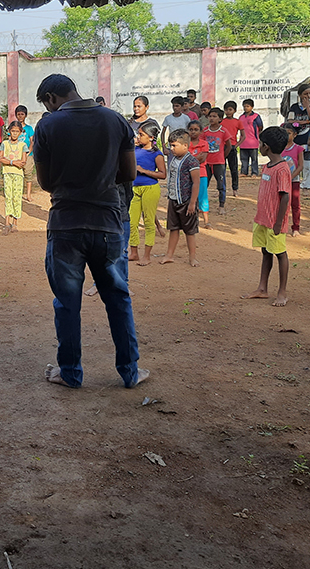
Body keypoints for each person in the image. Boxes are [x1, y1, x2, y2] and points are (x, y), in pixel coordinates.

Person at [33, 73, 148, 390]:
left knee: (67, 303)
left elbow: (45, 183)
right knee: (118, 298)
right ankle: (130, 371)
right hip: (108, 224)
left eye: (47, 104)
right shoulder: (115, 120)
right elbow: (128, 174)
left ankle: (70, 372)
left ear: (52, 98)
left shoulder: (48, 125)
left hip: (66, 224)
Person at [243, 126, 292, 307]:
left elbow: (285, 195)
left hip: (274, 222)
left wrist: (279, 223)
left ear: (266, 147)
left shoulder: (282, 169)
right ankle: (262, 288)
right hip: (263, 219)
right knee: (265, 251)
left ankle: (282, 292)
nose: (259, 146)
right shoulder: (267, 167)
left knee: (280, 253)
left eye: (261, 143)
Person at [160, 128, 201, 267]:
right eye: (170, 145)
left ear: (185, 145)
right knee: (173, 228)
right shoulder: (173, 160)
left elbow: (196, 183)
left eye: (174, 145)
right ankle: (169, 255)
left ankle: (193, 258)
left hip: (186, 201)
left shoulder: (191, 161)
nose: (171, 148)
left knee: (190, 231)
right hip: (173, 199)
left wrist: (192, 203)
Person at [128, 121, 165, 266]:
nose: (138, 136)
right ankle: (134, 252)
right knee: (132, 222)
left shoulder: (157, 154)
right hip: (134, 188)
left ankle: (147, 256)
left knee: (149, 222)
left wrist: (144, 171)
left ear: (150, 137)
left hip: (150, 188)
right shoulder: (134, 150)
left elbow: (163, 174)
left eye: (141, 134)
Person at [283, 81, 310, 190]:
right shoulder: (294, 107)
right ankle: (296, 180)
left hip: (309, 138)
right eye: (305, 94)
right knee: (296, 160)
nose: (308, 96)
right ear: (300, 95)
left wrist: (308, 108)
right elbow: (290, 121)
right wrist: (305, 122)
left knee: (308, 161)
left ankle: (308, 182)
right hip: (297, 139)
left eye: (309, 93)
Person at [0, 121, 28, 234]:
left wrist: (9, 161)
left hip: (18, 175)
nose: (15, 133)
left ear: (20, 132)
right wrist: (13, 162)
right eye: (13, 131)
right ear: (9, 131)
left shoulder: (23, 145)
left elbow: (23, 161)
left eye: (17, 131)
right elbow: (0, 158)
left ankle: (15, 222)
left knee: (16, 197)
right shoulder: (5, 144)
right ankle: (7, 223)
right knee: (8, 196)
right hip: (7, 173)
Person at [202, 108, 229, 215]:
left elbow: (229, 146)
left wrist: (222, 156)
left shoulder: (223, 131)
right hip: (207, 163)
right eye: (210, 116)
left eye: (214, 116)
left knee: (221, 185)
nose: (212, 118)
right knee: (204, 184)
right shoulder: (204, 131)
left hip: (219, 163)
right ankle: (202, 205)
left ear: (220, 118)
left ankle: (221, 206)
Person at [281, 122, 304, 237]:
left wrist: (291, 177)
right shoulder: (279, 148)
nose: (287, 136)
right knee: (282, 204)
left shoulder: (298, 149)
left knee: (295, 204)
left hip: (293, 181)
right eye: (285, 133)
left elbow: (300, 166)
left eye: (289, 133)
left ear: (294, 135)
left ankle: (296, 227)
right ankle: (282, 226)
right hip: (281, 182)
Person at [187, 121, 210, 227]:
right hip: (187, 174)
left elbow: (203, 159)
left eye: (196, 130)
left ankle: (206, 221)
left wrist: (191, 159)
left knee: (202, 196)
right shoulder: (185, 143)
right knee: (190, 197)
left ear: (200, 131)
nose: (193, 132)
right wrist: (196, 158)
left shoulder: (204, 143)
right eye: (191, 129)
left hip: (201, 173)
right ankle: (193, 219)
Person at [14, 104, 36, 202]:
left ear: (25, 115)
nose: (20, 116)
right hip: (16, 155)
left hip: (28, 155)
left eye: (22, 114)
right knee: (17, 175)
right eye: (18, 114)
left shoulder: (29, 128)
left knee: (28, 175)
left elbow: (32, 141)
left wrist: (28, 153)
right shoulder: (13, 128)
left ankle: (28, 195)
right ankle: (17, 194)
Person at [238, 98, 264, 177]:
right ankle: (244, 172)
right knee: (244, 159)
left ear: (252, 107)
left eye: (248, 106)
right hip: (243, 142)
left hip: (253, 141)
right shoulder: (241, 117)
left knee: (254, 159)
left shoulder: (256, 116)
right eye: (244, 106)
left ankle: (254, 172)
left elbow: (260, 126)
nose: (246, 108)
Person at [221, 101, 242, 197]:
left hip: (232, 147)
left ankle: (235, 189)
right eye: (226, 110)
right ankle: (221, 189)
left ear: (234, 110)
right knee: (221, 169)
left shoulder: (238, 122)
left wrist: (237, 145)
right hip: (222, 147)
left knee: (234, 169)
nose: (228, 112)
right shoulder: (221, 122)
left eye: (230, 110)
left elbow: (243, 135)